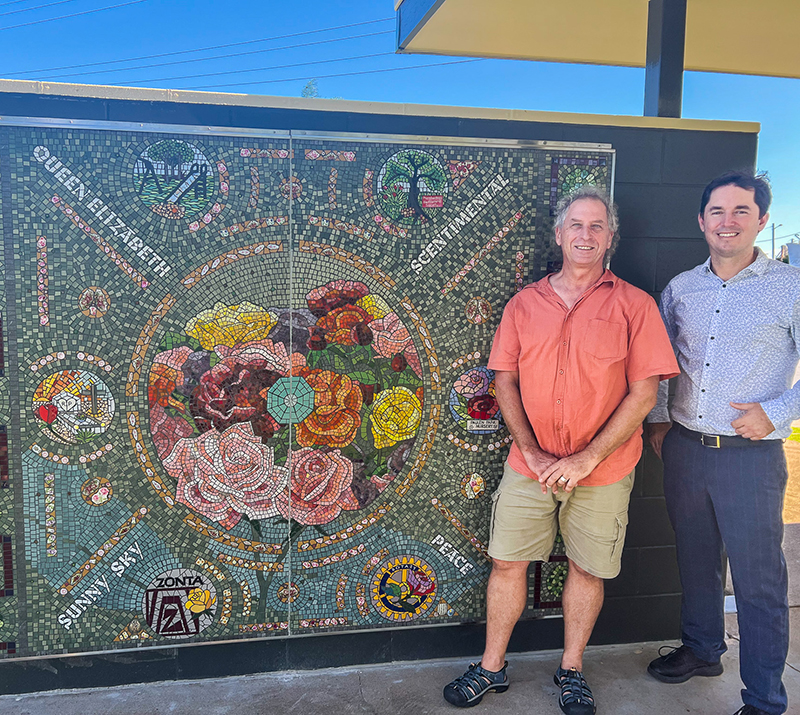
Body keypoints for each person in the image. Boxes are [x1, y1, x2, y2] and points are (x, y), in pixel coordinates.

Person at [443, 186, 679, 714]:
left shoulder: (635, 305)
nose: (586, 235)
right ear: (559, 234)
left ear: (611, 237)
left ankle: (571, 669)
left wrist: (586, 458)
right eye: (576, 224)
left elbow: (645, 392)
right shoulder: (524, 304)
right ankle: (491, 667)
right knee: (507, 563)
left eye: (597, 226)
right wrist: (531, 451)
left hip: (604, 469)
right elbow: (503, 379)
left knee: (587, 569)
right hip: (529, 465)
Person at [646, 171, 800, 715]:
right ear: (701, 221)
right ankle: (703, 649)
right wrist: (663, 421)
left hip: (751, 458)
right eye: (717, 211)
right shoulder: (682, 288)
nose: (727, 221)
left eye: (741, 211)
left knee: (759, 582)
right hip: (686, 449)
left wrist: (777, 413)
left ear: (761, 219)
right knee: (696, 558)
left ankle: (763, 699)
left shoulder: (791, 287)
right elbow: (664, 365)